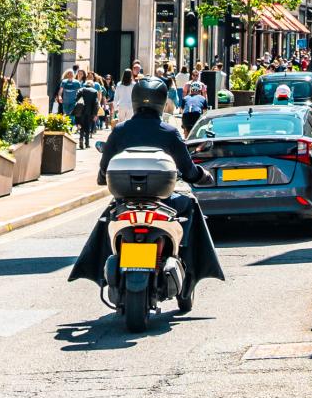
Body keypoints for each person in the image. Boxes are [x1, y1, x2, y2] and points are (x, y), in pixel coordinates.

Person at [70, 76, 224, 299]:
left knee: (106, 220)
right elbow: (189, 171)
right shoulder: (170, 133)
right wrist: (203, 176)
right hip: (163, 202)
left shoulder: (120, 131)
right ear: (161, 102)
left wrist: (103, 178)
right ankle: (190, 273)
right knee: (190, 205)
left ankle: (99, 269)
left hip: (126, 202)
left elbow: (104, 170)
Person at [71, 76, 102, 148]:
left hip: (80, 111)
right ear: (92, 85)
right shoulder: (94, 91)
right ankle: (87, 143)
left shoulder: (80, 90)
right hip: (89, 112)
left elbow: (76, 100)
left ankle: (81, 139)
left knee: (81, 126)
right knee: (87, 127)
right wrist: (95, 114)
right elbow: (96, 104)